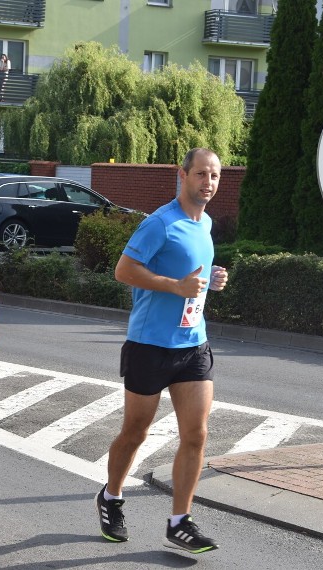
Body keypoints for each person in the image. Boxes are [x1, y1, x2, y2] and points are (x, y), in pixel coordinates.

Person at [95, 148, 229, 554]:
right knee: (135, 432)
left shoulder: (204, 223)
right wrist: (175, 286)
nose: (209, 182)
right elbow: (123, 271)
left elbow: (193, 277)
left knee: (196, 434)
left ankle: (179, 521)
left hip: (193, 343)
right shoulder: (160, 223)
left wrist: (213, 278)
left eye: (215, 176)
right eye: (202, 174)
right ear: (183, 175)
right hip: (149, 345)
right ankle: (112, 497)